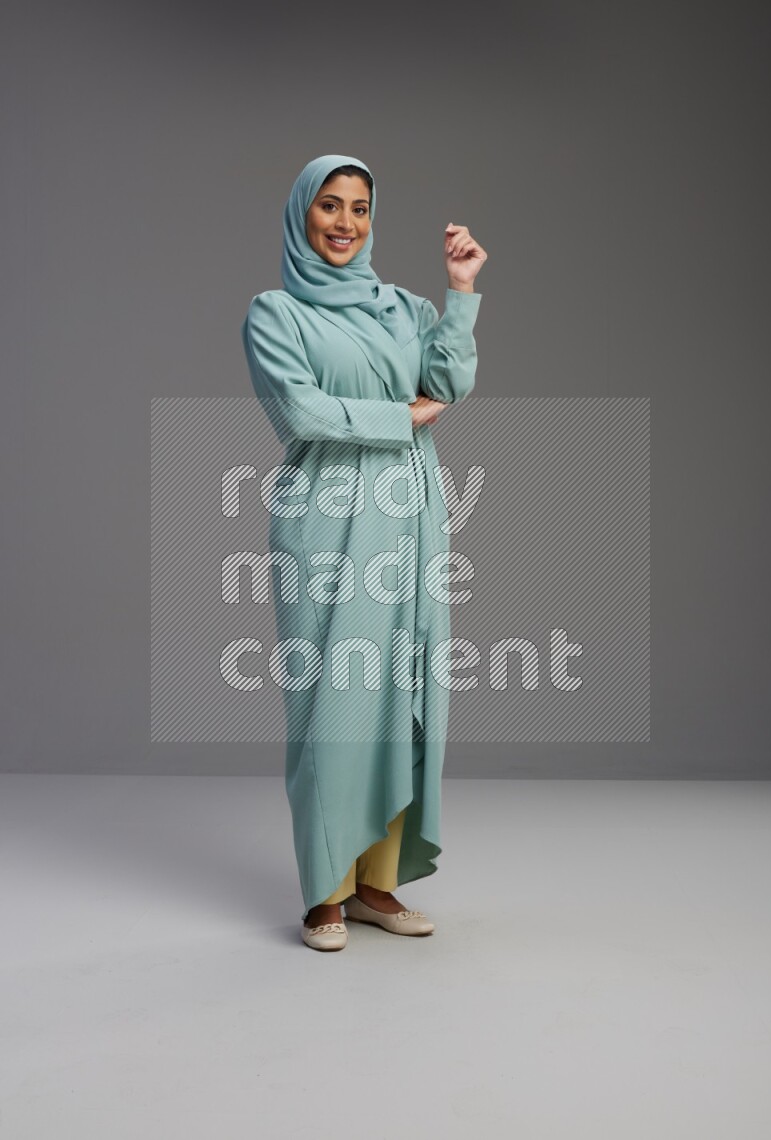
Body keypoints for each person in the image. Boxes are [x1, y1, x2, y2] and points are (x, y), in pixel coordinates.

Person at [241, 154, 486, 951]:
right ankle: (323, 895)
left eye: (359, 208)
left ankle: (378, 884)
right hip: (328, 521)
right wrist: (401, 419)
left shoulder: (404, 308)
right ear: (301, 215)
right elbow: (301, 412)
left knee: (402, 697)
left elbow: (446, 381)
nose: (344, 223)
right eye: (329, 206)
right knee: (330, 706)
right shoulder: (275, 313)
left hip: (410, 516)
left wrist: (460, 293)